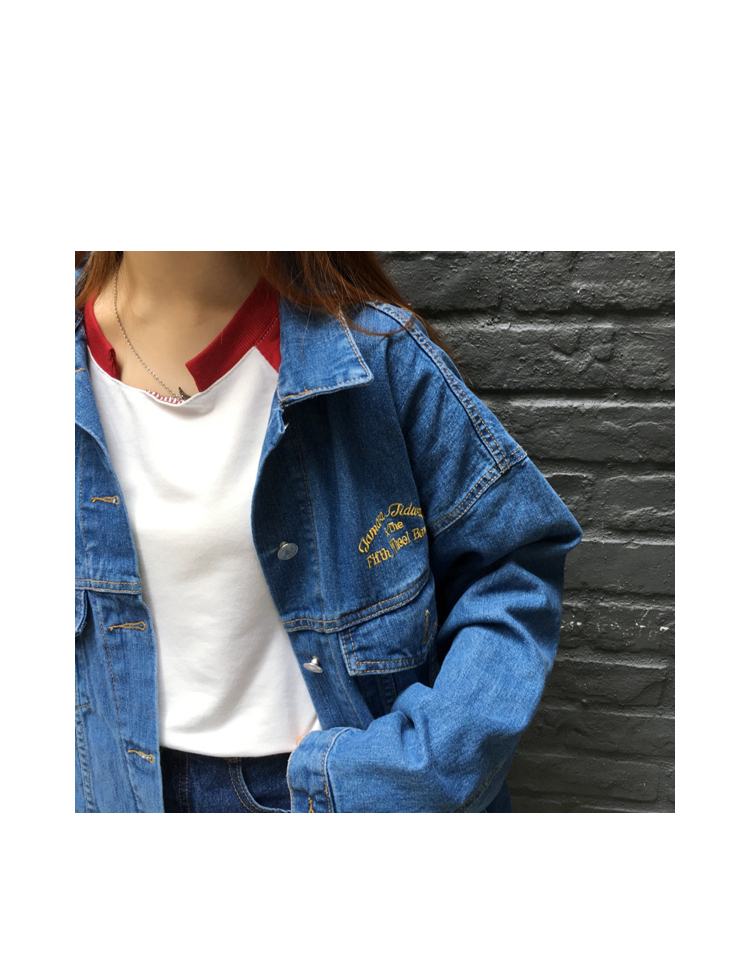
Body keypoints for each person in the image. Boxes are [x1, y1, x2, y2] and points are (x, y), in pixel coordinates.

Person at [75, 251, 582, 813]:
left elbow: (512, 569)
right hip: (109, 790)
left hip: (327, 793)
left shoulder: (375, 354)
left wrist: (426, 767)